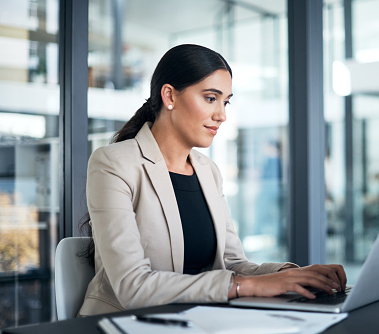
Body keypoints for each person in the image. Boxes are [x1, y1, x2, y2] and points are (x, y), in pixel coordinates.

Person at [78, 44, 346, 317]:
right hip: (120, 321)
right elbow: (132, 286)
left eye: (225, 101)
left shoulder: (208, 171)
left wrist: (291, 274)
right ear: (169, 95)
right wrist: (246, 286)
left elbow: (231, 263)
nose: (222, 115)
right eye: (210, 98)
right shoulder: (113, 163)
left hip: (194, 319)